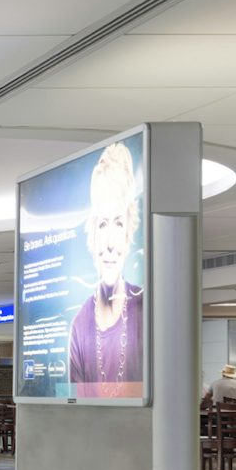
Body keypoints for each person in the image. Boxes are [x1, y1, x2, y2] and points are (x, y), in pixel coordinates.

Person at [66, 142, 145, 398]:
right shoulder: (80, 325)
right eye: (102, 224)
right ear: (92, 234)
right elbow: (75, 405)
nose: (110, 243)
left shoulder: (146, 311)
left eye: (118, 223)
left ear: (129, 231)